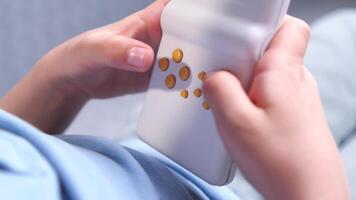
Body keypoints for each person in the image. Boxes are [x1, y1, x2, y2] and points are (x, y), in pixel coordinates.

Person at [0, 0, 350, 199]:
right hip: (272, 189)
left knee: (345, 32)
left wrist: (57, 84)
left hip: (152, 147)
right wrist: (314, 186)